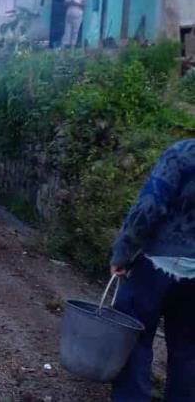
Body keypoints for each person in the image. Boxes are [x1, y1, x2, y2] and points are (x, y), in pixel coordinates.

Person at [109, 139, 195, 401]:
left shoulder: (182, 154)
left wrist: (123, 252)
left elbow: (149, 206)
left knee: (133, 339)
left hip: (157, 265)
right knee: (187, 353)